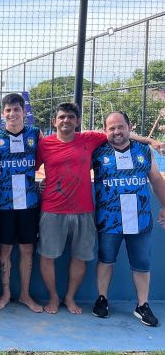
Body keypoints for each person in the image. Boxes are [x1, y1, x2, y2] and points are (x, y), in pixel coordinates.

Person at [36, 102, 162, 315]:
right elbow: (29, 166)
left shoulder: (90, 140)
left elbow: (122, 136)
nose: (66, 120)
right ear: (54, 121)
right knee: (51, 256)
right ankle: (57, 297)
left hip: (87, 210)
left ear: (77, 122)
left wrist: (150, 140)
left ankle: (71, 297)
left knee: (82, 257)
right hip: (57, 210)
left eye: (70, 117)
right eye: (62, 117)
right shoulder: (44, 144)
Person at [91, 111, 165, 327]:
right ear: (105, 131)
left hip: (140, 218)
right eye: (111, 128)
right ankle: (102, 299)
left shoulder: (143, 151)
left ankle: (143, 305)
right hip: (109, 219)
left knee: (141, 263)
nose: (116, 132)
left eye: (120, 127)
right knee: (106, 259)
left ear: (129, 127)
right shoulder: (98, 151)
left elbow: (157, 180)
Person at [0, 93, 43, 313]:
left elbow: (50, 159)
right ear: (3, 113)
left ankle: (25, 295)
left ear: (23, 112)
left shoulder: (35, 133)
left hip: (29, 202)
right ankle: (6, 293)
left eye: (16, 109)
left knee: (27, 250)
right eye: (8, 110)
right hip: (4, 203)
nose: (12, 114)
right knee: (4, 250)